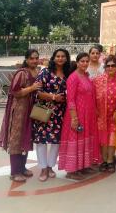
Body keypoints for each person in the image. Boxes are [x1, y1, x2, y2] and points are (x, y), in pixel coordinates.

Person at [0, 49, 41, 182]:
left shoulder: (37, 72)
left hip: (31, 110)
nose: (34, 60)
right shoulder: (22, 73)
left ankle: (22, 168)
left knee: (26, 138)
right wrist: (32, 88)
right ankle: (15, 171)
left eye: (36, 58)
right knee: (16, 140)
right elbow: (14, 91)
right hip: (19, 111)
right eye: (32, 58)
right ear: (27, 59)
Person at [58, 52, 100, 180]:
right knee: (75, 141)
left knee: (85, 140)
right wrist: (74, 118)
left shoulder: (86, 76)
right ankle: (72, 170)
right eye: (82, 61)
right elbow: (70, 99)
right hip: (76, 115)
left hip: (88, 116)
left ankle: (83, 166)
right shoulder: (73, 78)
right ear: (77, 62)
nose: (85, 63)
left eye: (87, 61)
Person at [33, 48, 71, 182]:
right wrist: (54, 97)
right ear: (53, 58)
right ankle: (43, 168)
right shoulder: (45, 72)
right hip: (43, 108)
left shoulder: (68, 73)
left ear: (66, 59)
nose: (60, 58)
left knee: (56, 141)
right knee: (41, 140)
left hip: (61, 112)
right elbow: (37, 92)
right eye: (58, 56)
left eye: (63, 56)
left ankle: (50, 166)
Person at [93, 55, 116, 173]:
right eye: (108, 66)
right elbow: (92, 95)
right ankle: (103, 160)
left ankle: (110, 160)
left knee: (112, 138)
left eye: (113, 65)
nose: (110, 68)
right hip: (101, 114)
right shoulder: (98, 80)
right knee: (103, 138)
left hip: (115, 114)